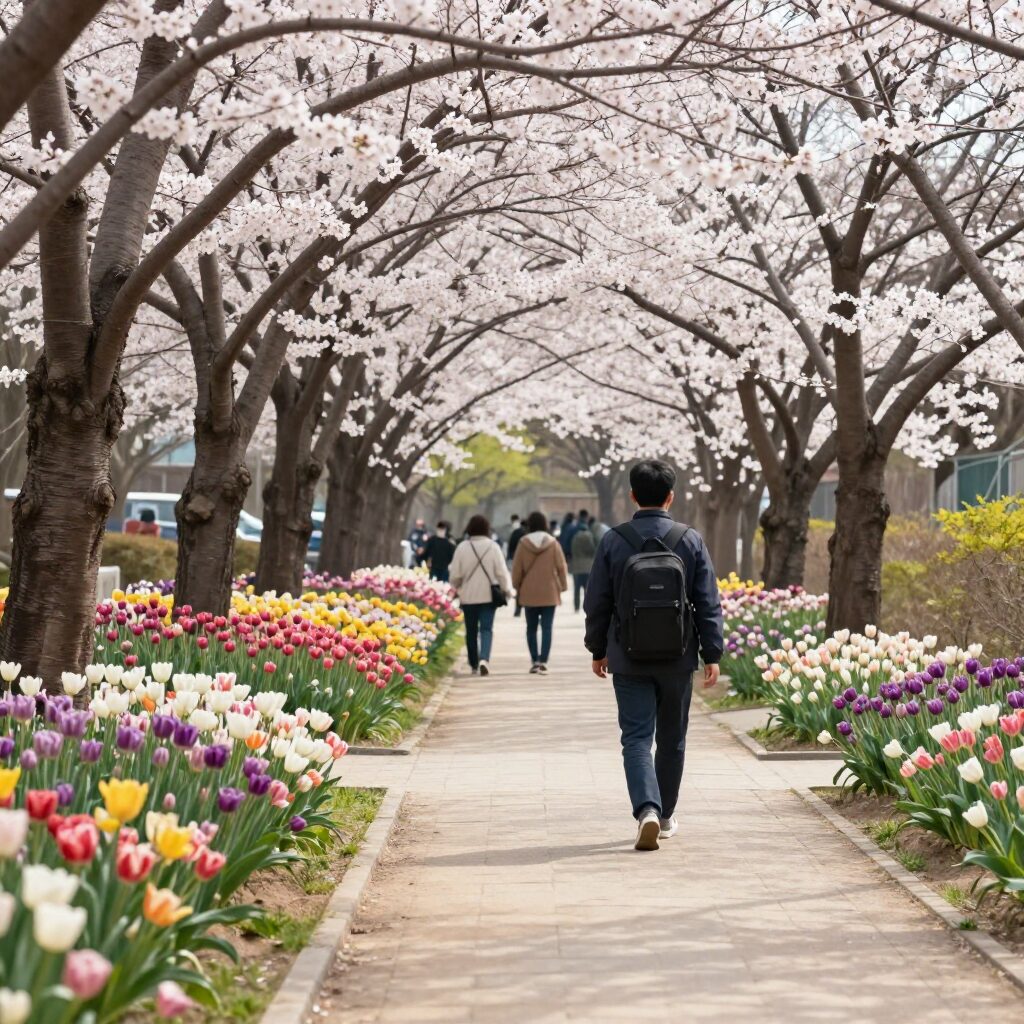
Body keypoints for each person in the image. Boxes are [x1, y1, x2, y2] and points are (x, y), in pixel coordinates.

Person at [584, 460, 723, 852]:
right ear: (670, 496)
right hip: (678, 657)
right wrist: (711, 652)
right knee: (673, 739)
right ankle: (664, 816)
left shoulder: (614, 540)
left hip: (627, 656)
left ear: (631, 495)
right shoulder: (689, 539)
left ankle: (646, 807)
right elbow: (707, 601)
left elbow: (596, 600)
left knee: (636, 738)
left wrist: (598, 649)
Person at [449, 515, 512, 676]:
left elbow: (455, 574)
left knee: (471, 630)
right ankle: (484, 658)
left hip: (468, 596)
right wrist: (507, 590)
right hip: (488, 595)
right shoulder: (493, 547)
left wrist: (454, 587)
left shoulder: (462, 547)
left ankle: (474, 664)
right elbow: (501, 572)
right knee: (486, 629)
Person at [512, 511, 568, 674]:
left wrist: (517, 586)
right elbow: (561, 567)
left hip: (528, 592)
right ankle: (544, 660)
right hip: (549, 591)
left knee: (531, 628)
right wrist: (563, 586)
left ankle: (534, 660)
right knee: (547, 627)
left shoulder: (523, 543)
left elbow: (517, 568)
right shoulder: (553, 543)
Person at [570, 518, 596, 612]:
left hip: (577, 567)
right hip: (588, 566)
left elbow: (572, 550)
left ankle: (576, 607)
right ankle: (587, 607)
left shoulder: (575, 537)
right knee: (587, 589)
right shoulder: (590, 537)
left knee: (576, 589)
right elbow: (592, 550)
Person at [506, 514, 528, 618]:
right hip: (529, 564)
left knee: (519, 586)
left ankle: (518, 609)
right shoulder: (529, 534)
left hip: (517, 561)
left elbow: (510, 547)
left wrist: (510, 559)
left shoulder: (515, 532)